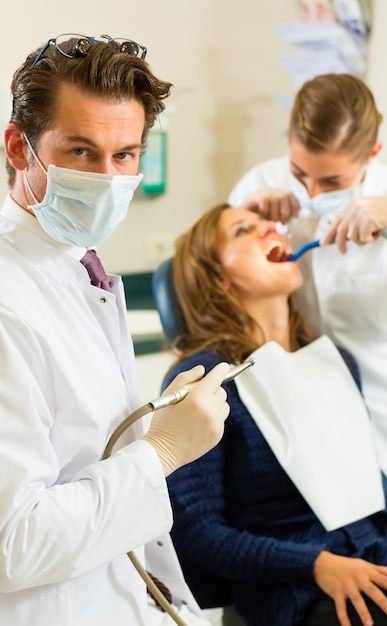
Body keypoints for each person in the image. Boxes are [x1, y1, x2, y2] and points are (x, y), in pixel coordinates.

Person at [0, 34, 231, 626]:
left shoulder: (75, 264)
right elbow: (13, 545)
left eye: (125, 155)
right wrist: (160, 454)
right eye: (81, 152)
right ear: (17, 148)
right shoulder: (9, 298)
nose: (106, 177)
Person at [164, 202, 387, 626]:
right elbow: (194, 533)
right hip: (301, 593)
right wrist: (316, 565)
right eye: (244, 231)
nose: (269, 229)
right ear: (219, 279)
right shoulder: (209, 378)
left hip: (385, 558)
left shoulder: (336, 362)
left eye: (267, 223)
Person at [227, 72, 387, 517]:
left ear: (373, 154)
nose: (310, 194)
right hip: (294, 395)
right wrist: (244, 215)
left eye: (331, 183)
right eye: (299, 174)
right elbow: (217, 261)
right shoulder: (263, 181)